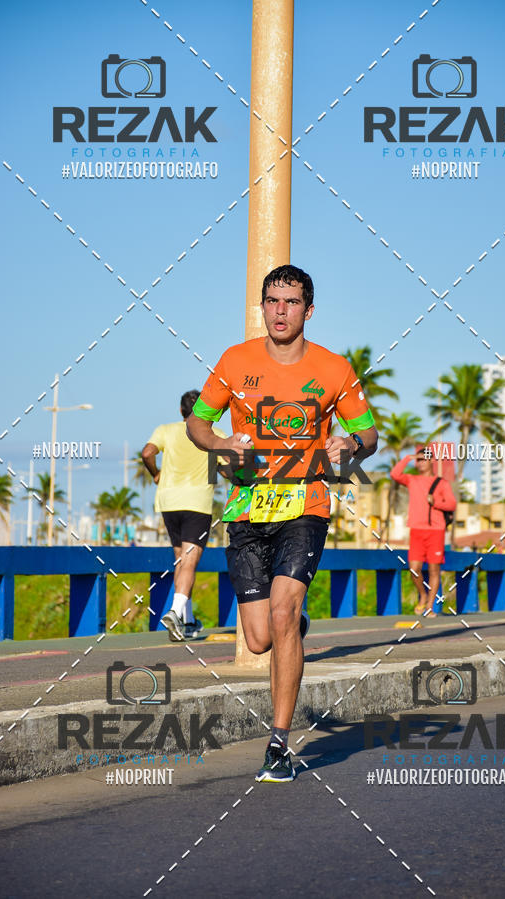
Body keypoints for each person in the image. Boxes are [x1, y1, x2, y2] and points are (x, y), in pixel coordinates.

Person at [187, 264, 378, 782]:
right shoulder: (235, 360)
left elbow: (369, 436)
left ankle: (278, 743)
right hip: (248, 509)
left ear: (308, 310)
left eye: (291, 302)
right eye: (272, 301)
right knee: (257, 639)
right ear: (263, 305)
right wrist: (221, 442)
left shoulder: (334, 370)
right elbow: (198, 422)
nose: (279, 311)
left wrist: (350, 444)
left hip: (305, 505)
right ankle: (288, 627)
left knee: (284, 611)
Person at [141, 391, 227, 641]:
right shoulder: (214, 434)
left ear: (181, 411)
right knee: (190, 561)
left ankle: (187, 621)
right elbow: (227, 469)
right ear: (205, 410)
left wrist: (156, 474)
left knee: (180, 560)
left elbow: (147, 453)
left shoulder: (166, 430)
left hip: (168, 502)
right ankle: (175, 612)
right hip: (196, 504)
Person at [391, 448, 456, 617]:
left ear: (431, 461)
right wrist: (407, 457)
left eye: (423, 459)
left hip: (436, 530)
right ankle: (423, 595)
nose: (420, 463)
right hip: (416, 530)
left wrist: (436, 502)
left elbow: (451, 504)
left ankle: (429, 607)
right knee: (414, 569)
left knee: (434, 570)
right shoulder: (412, 479)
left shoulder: (441, 483)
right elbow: (395, 474)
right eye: (418, 460)